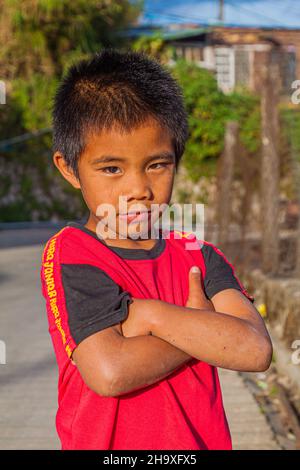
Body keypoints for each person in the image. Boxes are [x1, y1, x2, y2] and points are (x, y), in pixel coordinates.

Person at [40, 48, 272, 450]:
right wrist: (198, 324)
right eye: (111, 169)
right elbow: (110, 371)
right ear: (69, 168)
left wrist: (151, 315)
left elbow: (253, 349)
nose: (138, 190)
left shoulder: (197, 254)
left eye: (157, 165)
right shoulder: (74, 252)